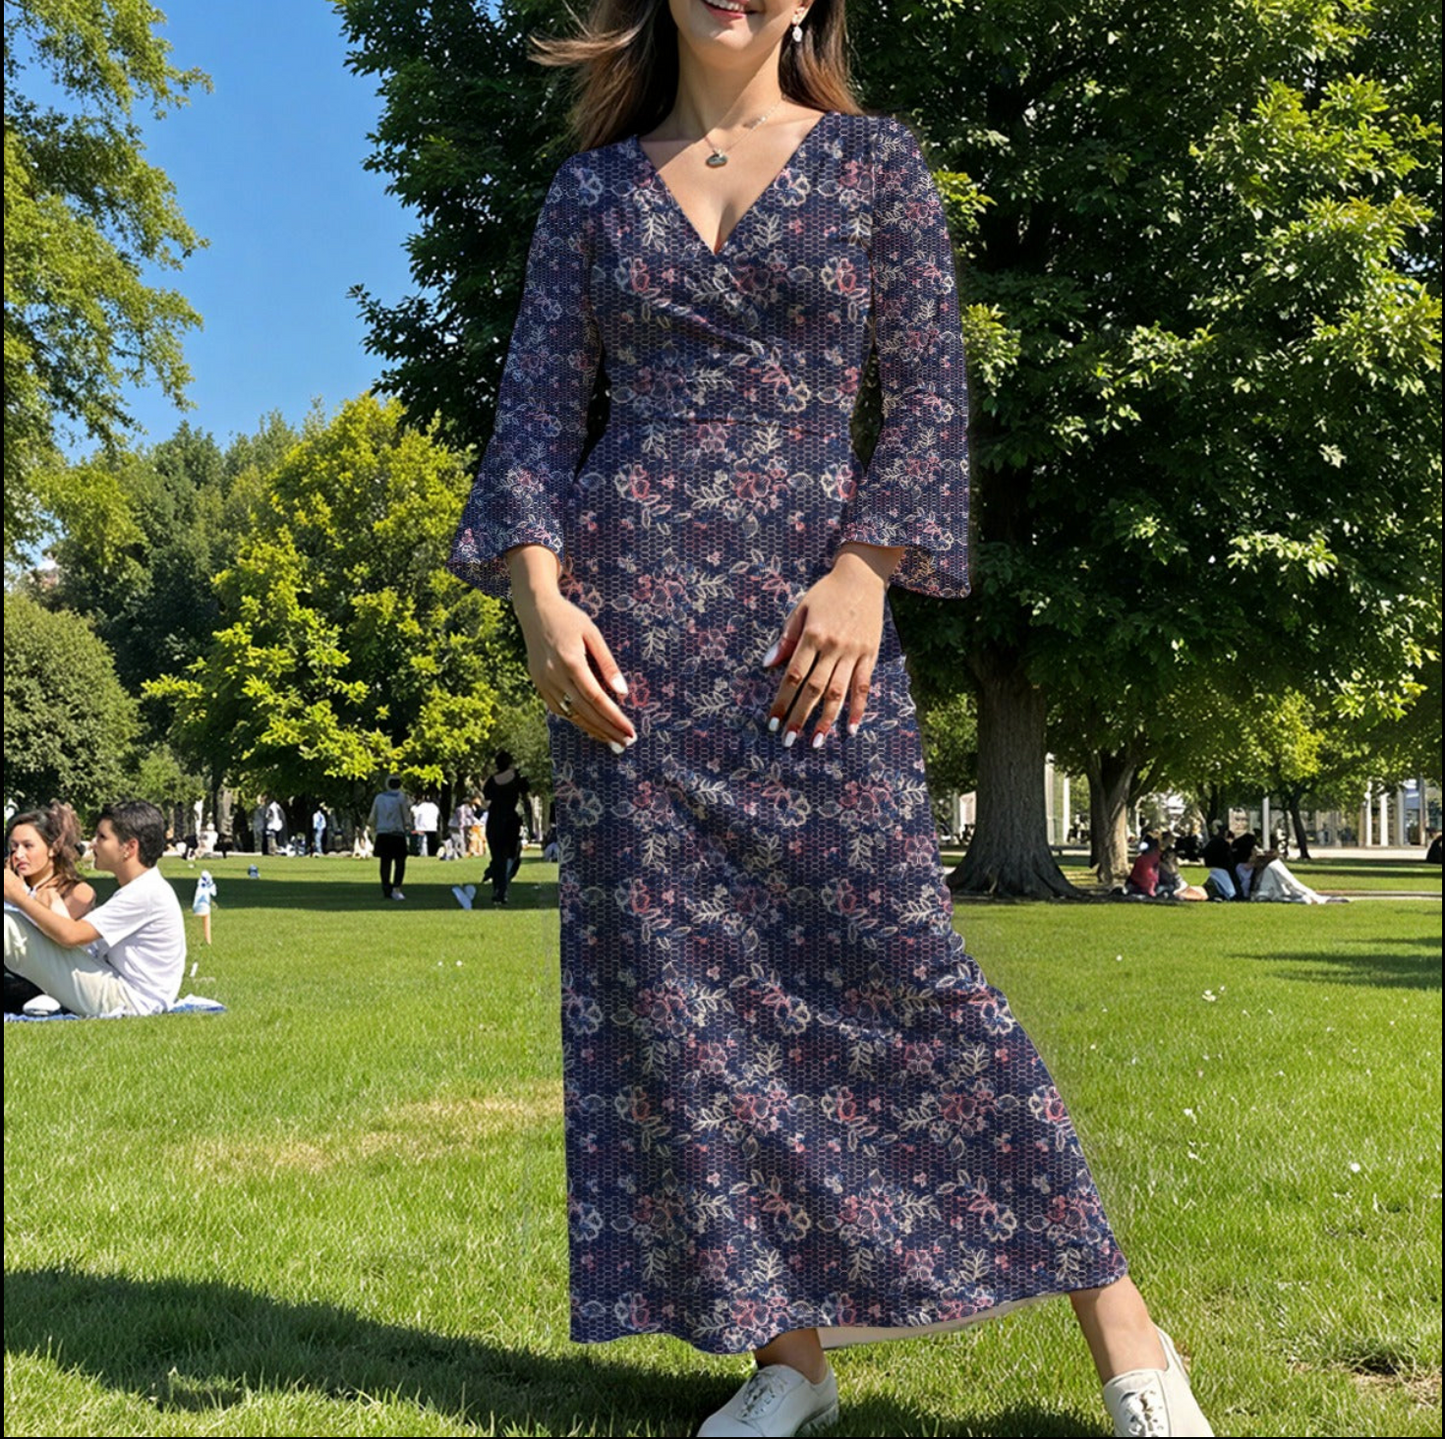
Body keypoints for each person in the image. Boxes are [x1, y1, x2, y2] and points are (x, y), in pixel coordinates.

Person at [443, 4, 1211, 1437]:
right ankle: (788, 1356)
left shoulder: (875, 166)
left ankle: (1127, 1328)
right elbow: (536, 417)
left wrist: (866, 569)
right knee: (689, 1010)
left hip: (818, 642)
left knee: (911, 969)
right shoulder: (591, 192)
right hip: (628, 660)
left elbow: (927, 396)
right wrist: (539, 597)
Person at [3, 799, 186, 1017]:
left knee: (8, 925)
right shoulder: (142, 889)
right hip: (121, 989)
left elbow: (71, 936)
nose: (92, 844)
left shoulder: (147, 892)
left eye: (102, 837)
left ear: (129, 847)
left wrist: (18, 896)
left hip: (128, 1000)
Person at [367, 775, 413, 900]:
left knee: (385, 862)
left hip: (383, 833)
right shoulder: (401, 797)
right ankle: (397, 888)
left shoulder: (379, 798)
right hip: (397, 833)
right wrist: (407, 825)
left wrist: (373, 827)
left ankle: (386, 888)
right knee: (400, 862)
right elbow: (405, 816)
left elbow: (372, 817)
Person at [1201, 824, 1237, 901]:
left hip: (1212, 865)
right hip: (1221, 867)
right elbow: (1228, 859)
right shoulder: (1223, 844)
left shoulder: (1212, 842)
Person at [191, 869, 218, 943]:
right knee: (206, 918)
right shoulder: (209, 884)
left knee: (198, 921)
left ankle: (197, 939)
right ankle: (208, 940)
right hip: (205, 905)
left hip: (198, 905)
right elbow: (214, 892)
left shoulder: (200, 885)